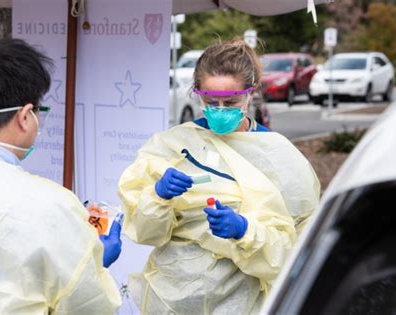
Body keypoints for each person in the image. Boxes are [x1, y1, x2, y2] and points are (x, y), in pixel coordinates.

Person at [118, 38, 320, 314]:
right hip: (168, 300)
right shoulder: (173, 147)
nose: (221, 109)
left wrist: (244, 230)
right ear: (196, 92)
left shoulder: (280, 158)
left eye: (231, 101)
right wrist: (158, 196)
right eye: (210, 101)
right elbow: (144, 231)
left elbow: (295, 250)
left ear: (252, 92)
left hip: (240, 302)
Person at [0, 39, 122, 314]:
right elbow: (89, 306)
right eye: (37, 112)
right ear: (25, 117)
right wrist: (93, 265)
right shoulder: (52, 206)